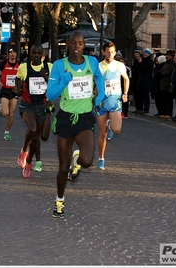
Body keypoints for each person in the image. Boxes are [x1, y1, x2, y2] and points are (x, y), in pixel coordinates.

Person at [46, 32, 105, 218]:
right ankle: (59, 200)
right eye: (73, 43)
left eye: (80, 43)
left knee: (87, 161)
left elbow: (99, 77)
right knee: (63, 168)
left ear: (84, 45)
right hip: (65, 118)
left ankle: (76, 161)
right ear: (68, 45)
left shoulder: (92, 62)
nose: (77, 46)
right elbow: (50, 95)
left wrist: (101, 94)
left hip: (85, 117)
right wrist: (64, 81)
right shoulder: (59, 66)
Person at [15, 44, 53, 178]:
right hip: (28, 105)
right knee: (32, 129)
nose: (36, 55)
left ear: (43, 55)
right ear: (30, 54)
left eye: (38, 53)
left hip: (43, 106)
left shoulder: (49, 67)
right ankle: (24, 151)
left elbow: (55, 85)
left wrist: (46, 78)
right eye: (33, 53)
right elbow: (18, 80)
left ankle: (29, 163)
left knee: (41, 137)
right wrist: (18, 89)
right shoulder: (24, 67)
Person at [94, 41, 129, 170]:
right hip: (102, 101)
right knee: (102, 133)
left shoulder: (120, 66)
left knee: (117, 130)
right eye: (108, 51)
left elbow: (126, 79)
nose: (110, 54)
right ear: (103, 52)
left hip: (115, 101)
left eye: (112, 51)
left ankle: (111, 126)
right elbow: (93, 81)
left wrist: (125, 93)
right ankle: (101, 159)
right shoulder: (99, 66)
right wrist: (94, 89)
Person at [0, 48, 20, 141]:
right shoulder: (4, 63)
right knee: (5, 113)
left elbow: (23, 77)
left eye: (14, 52)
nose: (12, 54)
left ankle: (7, 132)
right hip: (5, 90)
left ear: (16, 54)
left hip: (14, 91)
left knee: (11, 114)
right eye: (11, 53)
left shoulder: (19, 65)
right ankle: (2, 108)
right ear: (8, 54)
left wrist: (19, 87)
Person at [132, 48, 153, 114]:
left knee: (145, 95)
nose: (145, 54)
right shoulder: (142, 60)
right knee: (138, 95)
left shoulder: (150, 61)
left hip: (146, 81)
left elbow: (145, 68)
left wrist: (140, 63)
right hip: (140, 80)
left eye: (147, 53)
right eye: (144, 52)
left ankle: (146, 109)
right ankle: (139, 108)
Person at [158, 50, 175, 119]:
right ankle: (164, 112)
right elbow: (161, 70)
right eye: (166, 55)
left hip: (168, 84)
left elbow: (169, 71)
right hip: (163, 84)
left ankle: (169, 113)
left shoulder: (172, 63)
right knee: (164, 99)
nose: (167, 56)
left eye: (168, 55)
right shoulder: (165, 63)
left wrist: (162, 73)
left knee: (168, 100)